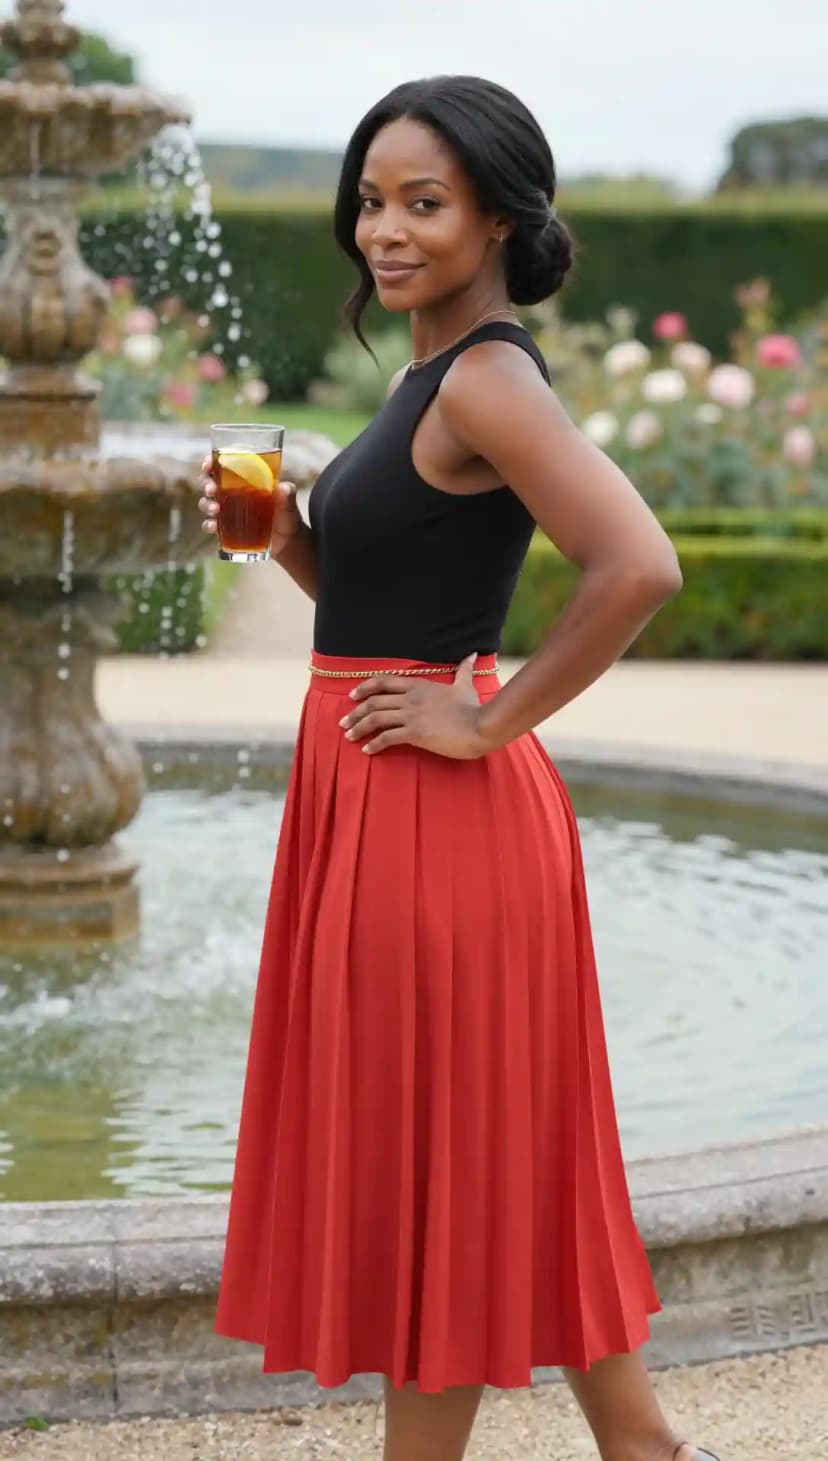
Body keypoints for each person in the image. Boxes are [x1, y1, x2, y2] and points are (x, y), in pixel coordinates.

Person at [199, 74, 722, 1461]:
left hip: (438, 810)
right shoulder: (426, 379)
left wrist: (487, 723)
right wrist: (283, 540)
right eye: (371, 201)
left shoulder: (489, 379)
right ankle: (646, 1449)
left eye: (423, 203)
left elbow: (639, 566)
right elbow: (378, 608)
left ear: (497, 217)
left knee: (438, 1159)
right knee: (500, 1142)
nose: (385, 229)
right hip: (380, 788)